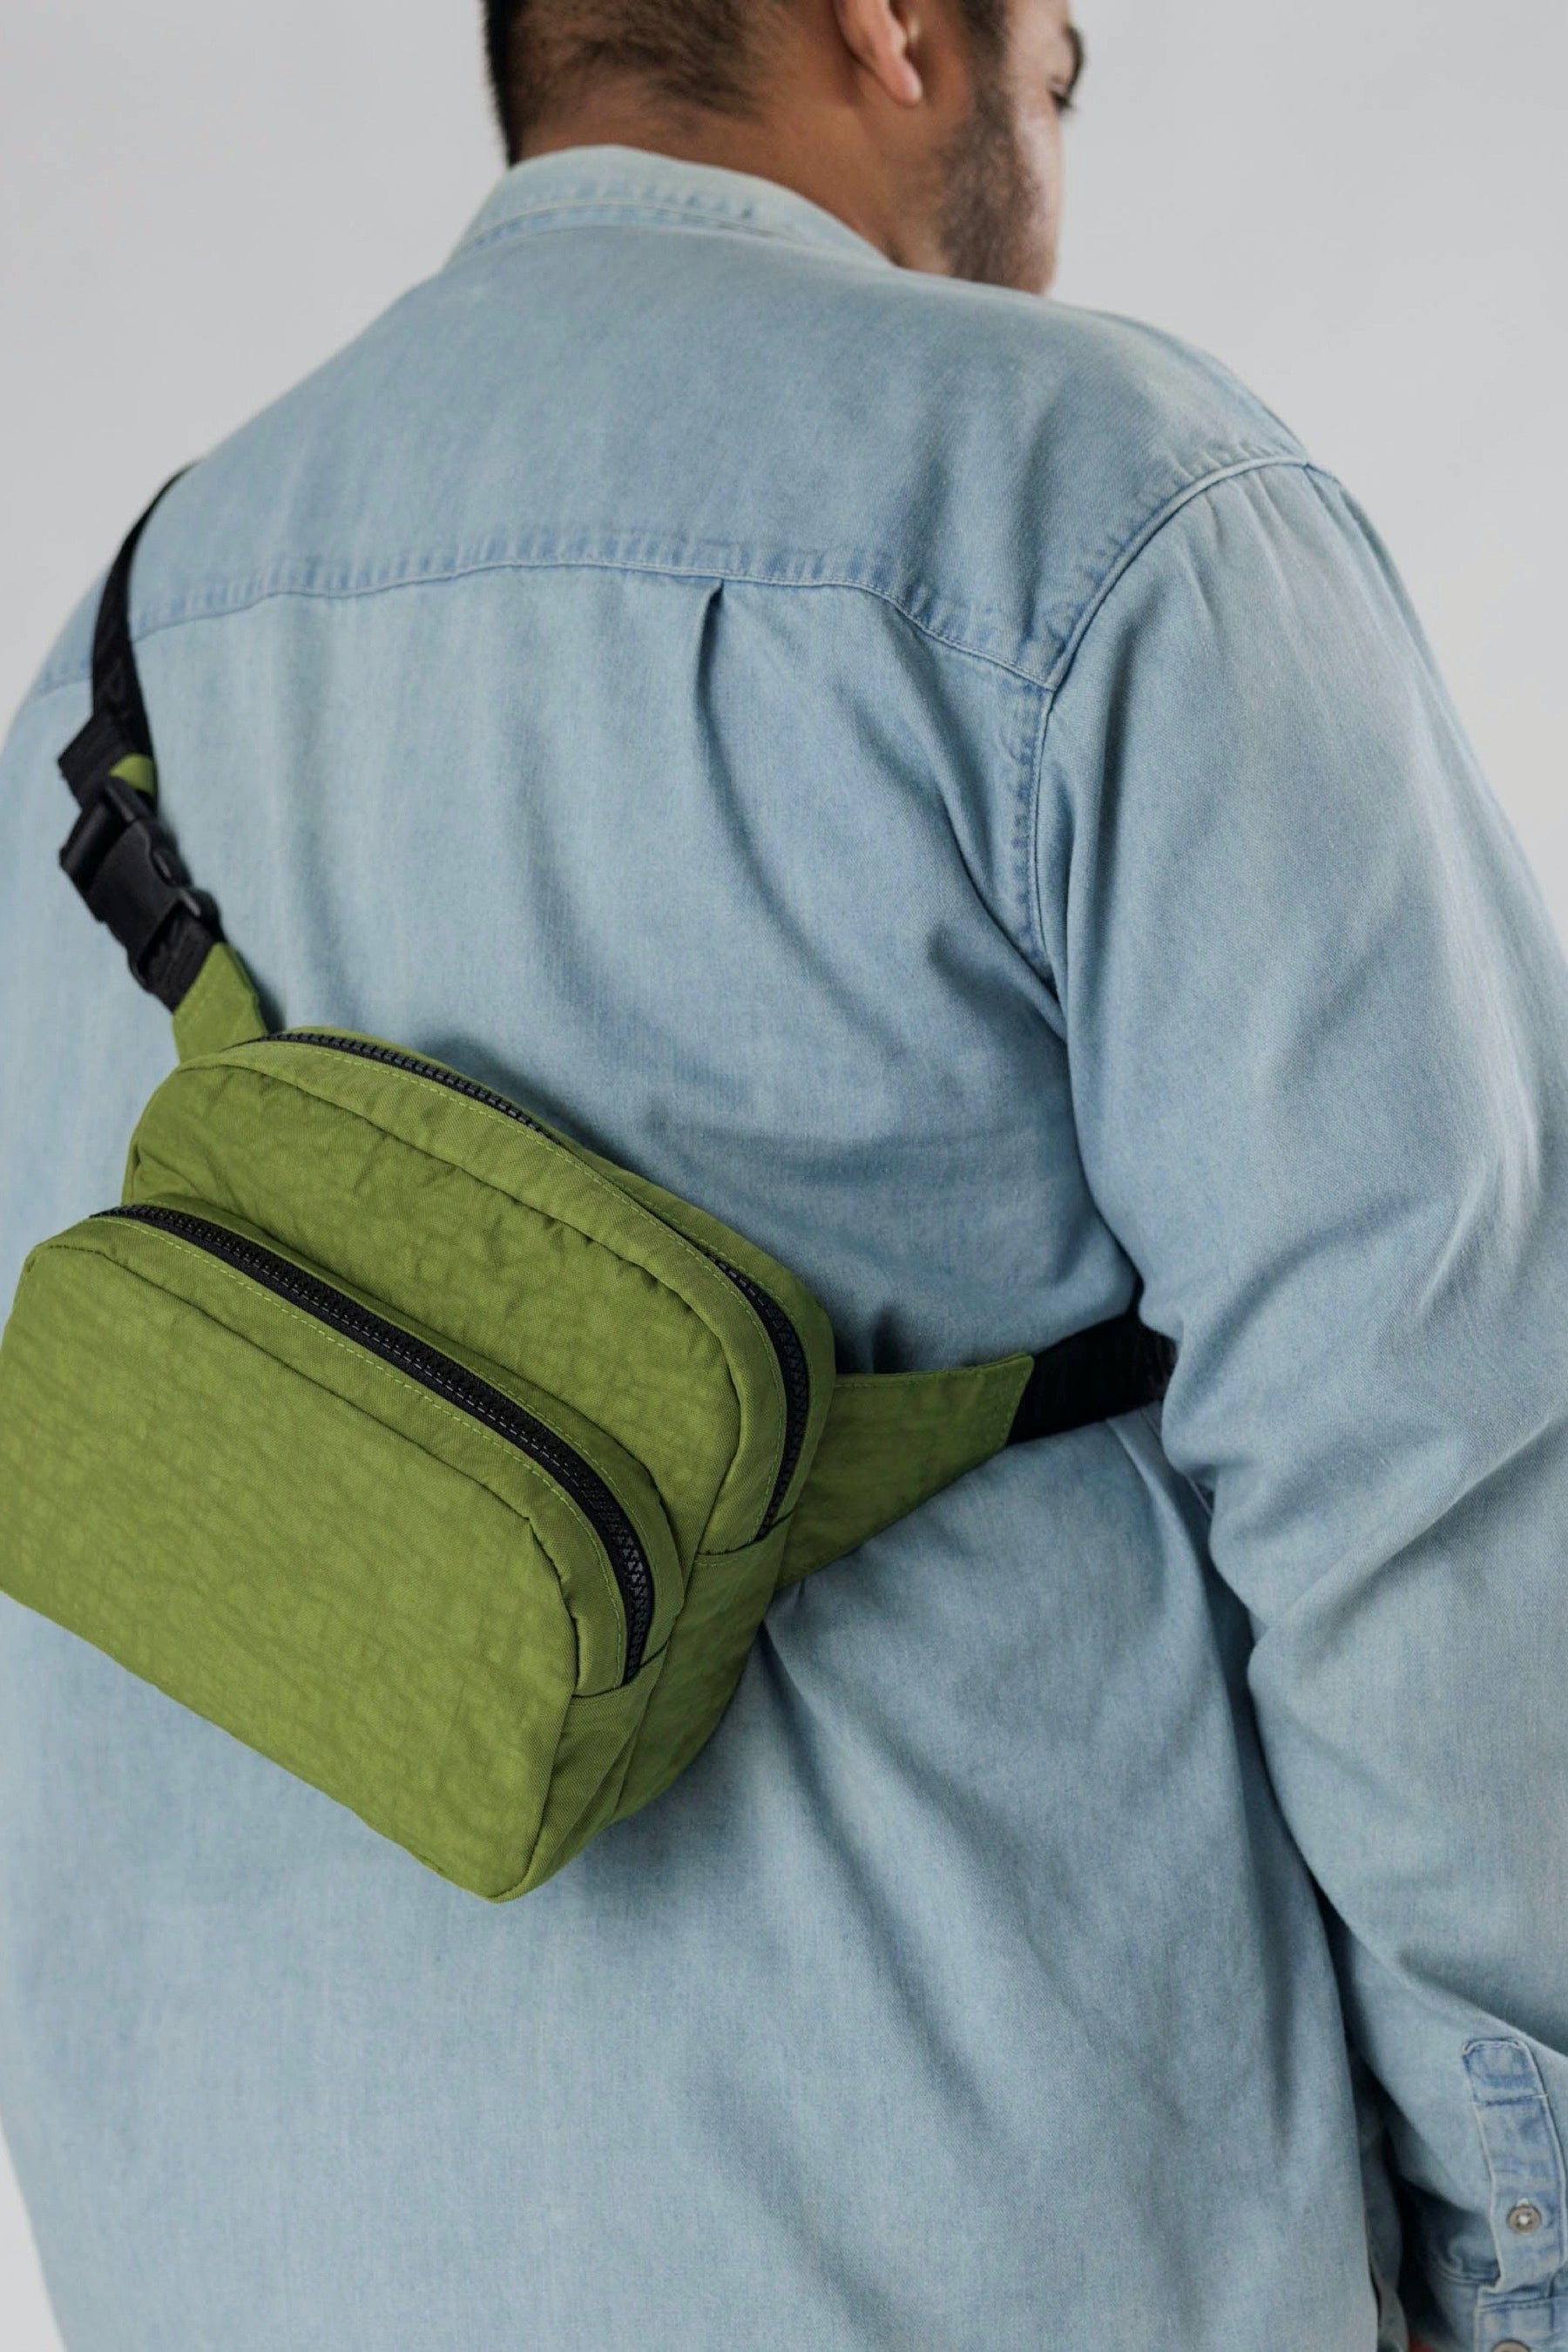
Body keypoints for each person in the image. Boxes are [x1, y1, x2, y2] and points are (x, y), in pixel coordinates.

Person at [0, 0, 1559, 2344]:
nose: (1058, 138)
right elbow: (1447, 1480)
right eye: (1059, 67)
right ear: (894, 27)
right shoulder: (1094, 512)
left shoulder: (112, 660)